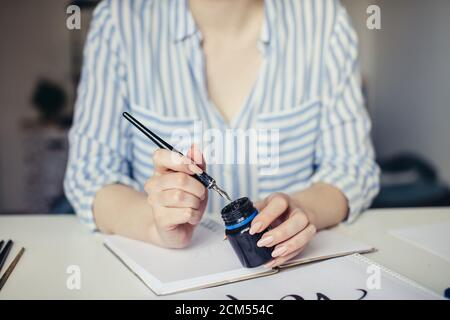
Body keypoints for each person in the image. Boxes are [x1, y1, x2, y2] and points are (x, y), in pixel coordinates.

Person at [64, 0, 379, 268]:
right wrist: (154, 225)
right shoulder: (119, 19)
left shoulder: (321, 18)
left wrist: (304, 209)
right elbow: (90, 177)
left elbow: (352, 170)